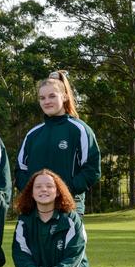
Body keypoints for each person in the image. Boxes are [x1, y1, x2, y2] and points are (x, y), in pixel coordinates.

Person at [15, 71, 100, 215]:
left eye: (52, 96)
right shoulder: (33, 134)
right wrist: (34, 193)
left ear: (65, 96)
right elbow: (20, 170)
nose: (47, 101)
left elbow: (92, 169)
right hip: (36, 209)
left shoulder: (79, 130)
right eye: (42, 98)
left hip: (68, 207)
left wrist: (64, 190)